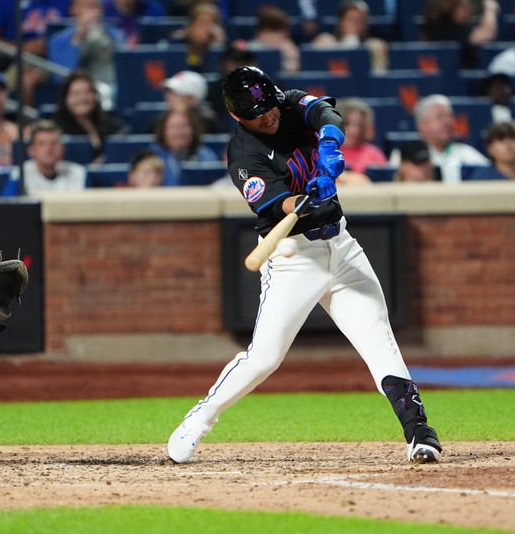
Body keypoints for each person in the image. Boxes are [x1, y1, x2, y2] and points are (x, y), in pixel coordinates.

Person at [166, 66, 442, 465]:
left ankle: (419, 431)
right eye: (258, 114)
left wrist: (330, 145)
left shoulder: (285, 102)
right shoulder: (244, 154)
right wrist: (303, 199)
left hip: (342, 248)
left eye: (269, 106)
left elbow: (327, 115)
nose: (269, 116)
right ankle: (198, 421)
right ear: (237, 116)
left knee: (379, 340)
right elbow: (274, 204)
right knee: (265, 357)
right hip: (294, 258)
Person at [0, 0, 70, 105]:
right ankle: (28, 120)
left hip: (55, 59)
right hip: (13, 60)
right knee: (24, 79)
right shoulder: (2, 2)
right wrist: (27, 48)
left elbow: (83, 11)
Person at [47, 0, 125, 95]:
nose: (93, 12)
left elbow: (125, 63)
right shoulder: (59, 39)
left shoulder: (114, 33)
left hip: (114, 86)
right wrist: (79, 36)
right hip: (82, 90)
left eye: (96, 6)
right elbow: (61, 75)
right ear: (74, 10)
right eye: (87, 7)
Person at [53, 71, 129, 163]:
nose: (83, 98)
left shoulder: (110, 124)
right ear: (65, 98)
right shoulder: (56, 130)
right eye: (76, 94)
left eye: (88, 92)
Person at [1, 120, 87, 196]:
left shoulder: (78, 173)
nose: (49, 149)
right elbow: (7, 207)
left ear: (62, 148)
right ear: (31, 150)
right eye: (42, 144)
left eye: (53, 143)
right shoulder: (20, 174)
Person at [149, 106, 219, 186]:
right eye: (174, 127)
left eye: (184, 126)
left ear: (193, 129)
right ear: (163, 131)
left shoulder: (206, 156)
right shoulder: (151, 157)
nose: (179, 132)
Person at [312, 0, 389, 73]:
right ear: (341, 22)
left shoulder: (376, 46)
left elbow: (379, 76)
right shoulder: (326, 41)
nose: (355, 24)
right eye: (350, 19)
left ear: (366, 25)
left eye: (359, 20)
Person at [420, 0, 499, 69]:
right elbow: (487, 34)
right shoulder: (449, 28)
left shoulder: (432, 22)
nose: (470, 10)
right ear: (453, 8)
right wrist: (490, 9)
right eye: (464, 6)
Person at [209, 40, 257, 131]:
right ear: (224, 64)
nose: (242, 66)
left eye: (246, 61)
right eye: (236, 61)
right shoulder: (216, 90)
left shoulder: (268, 86)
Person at [166, 2, 226, 71]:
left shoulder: (218, 47)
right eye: (202, 23)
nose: (208, 29)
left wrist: (218, 46)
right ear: (190, 25)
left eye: (211, 24)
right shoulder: (176, 44)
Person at [337, 98, 387, 173]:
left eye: (359, 125)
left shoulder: (374, 154)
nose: (352, 131)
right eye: (346, 124)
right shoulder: (324, 153)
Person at [162, 70, 220, 134]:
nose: (168, 97)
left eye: (175, 93)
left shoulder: (208, 122)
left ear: (192, 99)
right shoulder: (162, 120)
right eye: (169, 92)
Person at [251, 5, 300, 73]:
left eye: (277, 32)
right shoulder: (252, 47)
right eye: (268, 32)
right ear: (259, 33)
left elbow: (294, 69)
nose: (273, 37)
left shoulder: (288, 47)